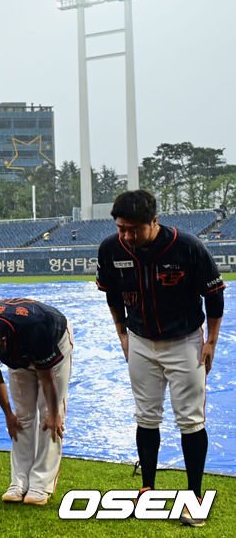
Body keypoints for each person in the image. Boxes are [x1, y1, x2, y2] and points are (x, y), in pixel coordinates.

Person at [96, 189, 224, 528]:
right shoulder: (111, 248)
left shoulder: (187, 246)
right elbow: (112, 295)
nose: (126, 235)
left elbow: (214, 296)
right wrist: (122, 334)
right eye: (121, 228)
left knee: (190, 419)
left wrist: (211, 342)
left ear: (154, 221)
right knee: (146, 416)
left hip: (184, 341)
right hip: (139, 340)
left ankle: (193, 494)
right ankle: (147, 488)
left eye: (133, 229)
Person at [0, 298, 72, 505]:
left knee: (49, 417)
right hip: (19, 350)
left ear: (4, 342)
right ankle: (19, 482)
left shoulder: (36, 329)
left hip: (53, 342)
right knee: (21, 417)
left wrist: (55, 413)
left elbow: (47, 378)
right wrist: (8, 414)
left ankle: (40, 485)